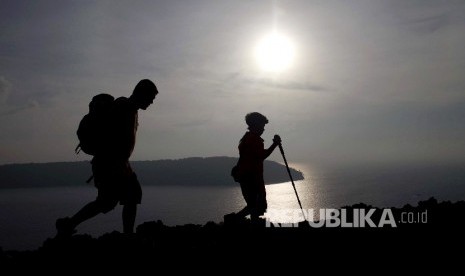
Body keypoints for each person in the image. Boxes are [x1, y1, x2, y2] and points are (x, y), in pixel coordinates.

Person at [56, 79, 158, 237]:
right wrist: (111, 159)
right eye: (150, 97)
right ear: (141, 93)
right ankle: (69, 224)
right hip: (109, 165)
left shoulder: (132, 109)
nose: (151, 102)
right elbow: (108, 134)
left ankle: (69, 224)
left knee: (120, 198)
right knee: (111, 201)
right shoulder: (123, 106)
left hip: (120, 165)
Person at [227, 112, 281, 223]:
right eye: (262, 126)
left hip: (246, 176)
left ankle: (237, 221)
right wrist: (275, 144)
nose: (263, 129)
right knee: (255, 206)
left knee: (254, 206)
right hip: (252, 177)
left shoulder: (246, 138)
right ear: (255, 125)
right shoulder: (253, 140)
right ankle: (233, 220)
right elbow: (262, 156)